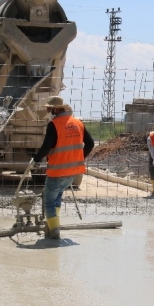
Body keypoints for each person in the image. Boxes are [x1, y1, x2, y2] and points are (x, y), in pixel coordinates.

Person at [30, 96, 95, 239]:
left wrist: (35, 159)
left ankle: (54, 235)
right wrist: (78, 158)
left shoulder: (54, 125)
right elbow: (90, 144)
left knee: (49, 202)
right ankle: (52, 227)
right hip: (73, 172)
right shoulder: (78, 123)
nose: (48, 111)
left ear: (55, 109)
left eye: (49, 109)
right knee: (57, 198)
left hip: (57, 171)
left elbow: (47, 146)